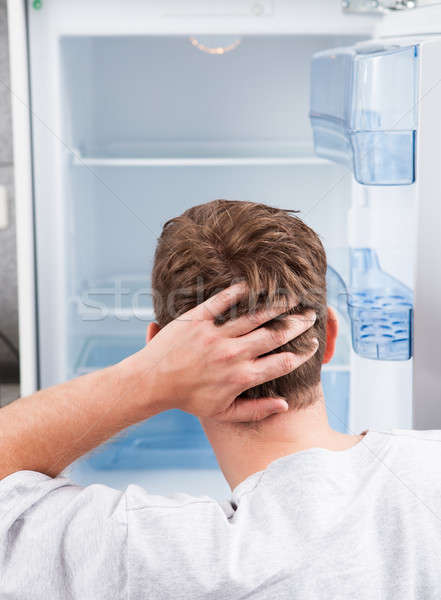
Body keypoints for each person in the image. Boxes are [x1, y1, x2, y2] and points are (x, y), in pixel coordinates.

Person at [0, 199, 440, 599]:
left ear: (157, 345)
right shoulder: (429, 469)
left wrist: (148, 379)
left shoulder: (137, 554)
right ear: (328, 338)